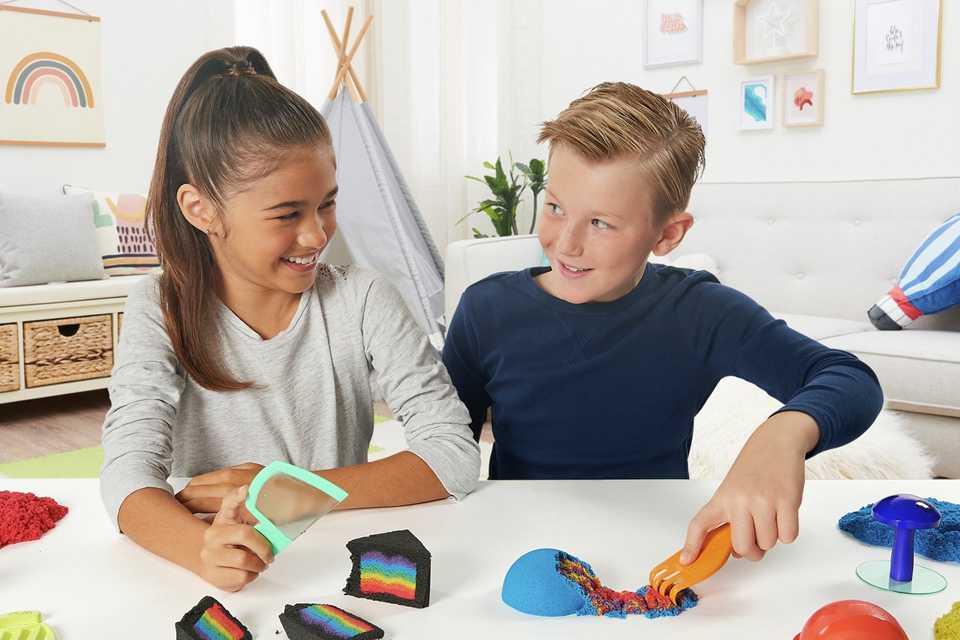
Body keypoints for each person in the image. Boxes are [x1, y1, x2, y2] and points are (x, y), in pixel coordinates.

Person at [442, 82, 882, 566]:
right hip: (519, 549)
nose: (565, 243)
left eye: (601, 223)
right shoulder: (485, 309)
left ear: (668, 234)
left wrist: (783, 435)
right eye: (555, 208)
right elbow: (444, 447)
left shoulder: (699, 311)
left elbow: (849, 378)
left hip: (657, 549)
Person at [100, 47, 479, 592]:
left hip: (336, 567)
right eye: (287, 214)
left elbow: (454, 456)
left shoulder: (364, 299)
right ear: (200, 209)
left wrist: (287, 491)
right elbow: (125, 474)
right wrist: (200, 549)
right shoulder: (160, 307)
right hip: (202, 572)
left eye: (326, 204)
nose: (317, 235)